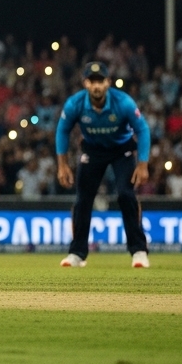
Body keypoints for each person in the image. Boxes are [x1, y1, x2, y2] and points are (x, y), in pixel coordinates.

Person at [55, 61, 151, 268]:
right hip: (92, 150)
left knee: (126, 195)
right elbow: (62, 131)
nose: (96, 86)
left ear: (108, 82)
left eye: (101, 81)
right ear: (85, 83)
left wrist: (142, 164)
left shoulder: (123, 102)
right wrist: (62, 165)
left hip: (122, 150)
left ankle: (139, 251)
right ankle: (77, 254)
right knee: (83, 200)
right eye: (92, 81)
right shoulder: (75, 104)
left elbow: (142, 130)